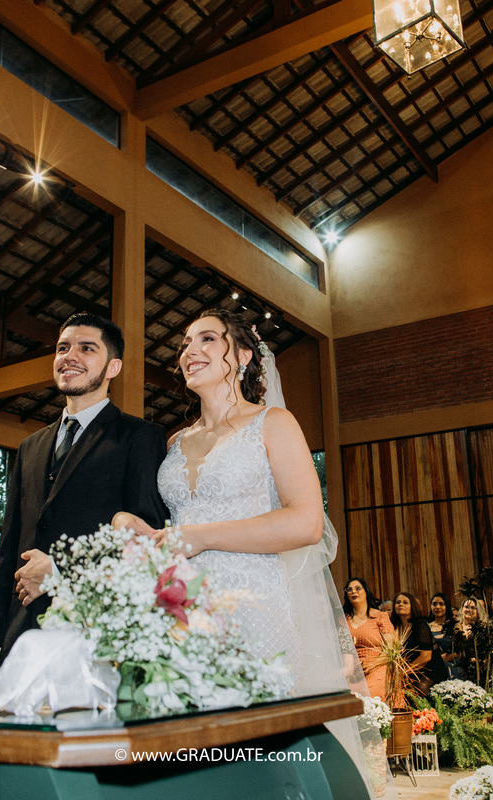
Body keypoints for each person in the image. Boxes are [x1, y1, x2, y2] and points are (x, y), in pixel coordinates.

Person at [117, 308, 389, 797]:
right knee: (195, 761)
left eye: (206, 338)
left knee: (259, 762)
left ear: (242, 355)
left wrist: (201, 537)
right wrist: (138, 529)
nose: (189, 350)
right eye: (185, 343)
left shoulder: (273, 423)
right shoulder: (175, 442)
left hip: (254, 610)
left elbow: (306, 522)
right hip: (181, 615)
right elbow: (178, 532)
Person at [0, 313, 168, 684]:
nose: (70, 356)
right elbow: (9, 545)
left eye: (87, 348)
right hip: (21, 636)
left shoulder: (140, 437)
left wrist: (60, 573)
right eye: (63, 348)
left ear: (113, 367)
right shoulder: (29, 447)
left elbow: (146, 544)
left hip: (93, 637)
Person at [344, 578, 395, 700]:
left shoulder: (379, 616)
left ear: (366, 591)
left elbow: (391, 649)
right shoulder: (343, 619)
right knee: (344, 696)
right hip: (351, 669)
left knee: (369, 692)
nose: (353, 592)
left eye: (358, 588)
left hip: (377, 666)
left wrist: (373, 664)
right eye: (349, 590)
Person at [391, 592, 445, 694]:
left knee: (418, 688)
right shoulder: (394, 626)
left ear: (412, 606)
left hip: (428, 670)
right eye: (398, 602)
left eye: (405, 602)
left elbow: (425, 657)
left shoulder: (420, 625)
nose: (401, 604)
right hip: (407, 670)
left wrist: (403, 673)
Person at [451, 598, 493, 686]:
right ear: (462, 609)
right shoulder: (454, 628)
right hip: (459, 665)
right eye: (466, 607)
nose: (469, 610)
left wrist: (482, 661)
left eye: (473, 607)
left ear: (478, 610)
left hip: (481, 667)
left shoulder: (487, 628)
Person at [429, 591, 459, 679]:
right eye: (434, 604)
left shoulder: (455, 626)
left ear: (447, 606)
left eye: (441, 604)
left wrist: (441, 659)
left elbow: (459, 651)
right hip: (431, 667)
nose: (437, 607)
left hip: (452, 666)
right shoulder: (426, 627)